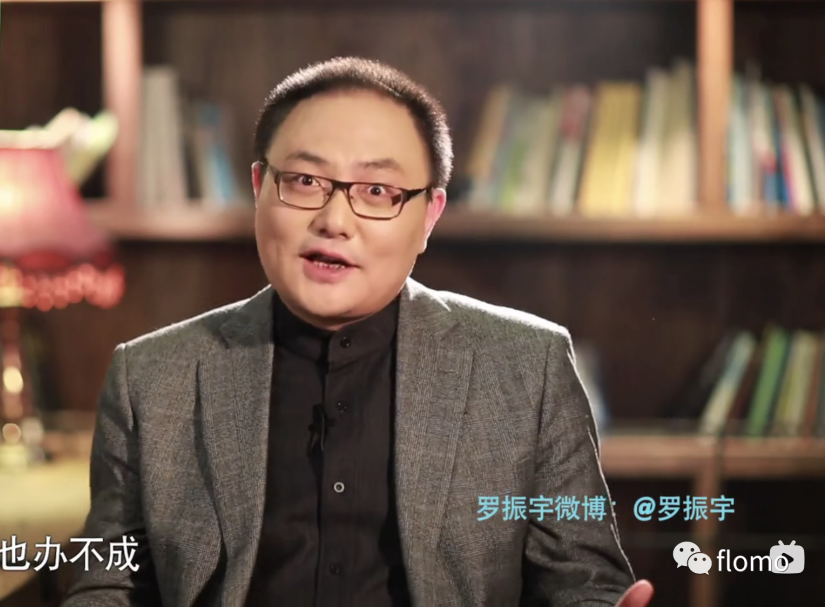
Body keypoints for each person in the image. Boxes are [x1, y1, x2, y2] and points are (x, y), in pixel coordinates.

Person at [63, 56, 654, 607]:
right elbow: (108, 581)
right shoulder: (151, 377)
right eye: (304, 181)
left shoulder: (528, 366)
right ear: (259, 188)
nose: (334, 221)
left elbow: (583, 581)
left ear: (429, 216)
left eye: (377, 192)